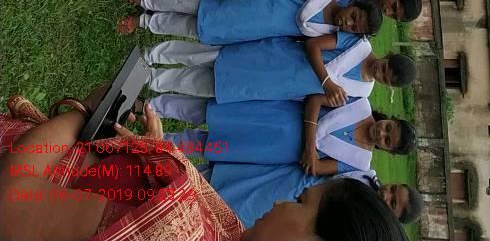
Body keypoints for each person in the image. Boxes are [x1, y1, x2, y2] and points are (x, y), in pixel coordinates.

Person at [0, 91, 409, 241]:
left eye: (302, 202)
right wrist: (157, 152)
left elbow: (11, 205)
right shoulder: (229, 228)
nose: (281, 202)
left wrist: (83, 115)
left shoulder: (170, 230)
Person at [141, 35, 414, 109]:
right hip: (278, 56)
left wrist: (324, 94)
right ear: (388, 56)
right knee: (211, 55)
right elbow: (314, 45)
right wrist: (326, 81)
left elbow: (319, 101)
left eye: (385, 78)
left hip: (278, 87)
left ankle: (153, 80)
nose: (380, 73)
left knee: (208, 85)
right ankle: (153, 55)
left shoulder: (361, 92)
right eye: (385, 67)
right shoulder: (359, 45)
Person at [117, 0, 378, 44]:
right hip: (249, 2)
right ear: (352, 3)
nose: (348, 22)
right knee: (188, 1)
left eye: (354, 27)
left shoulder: (324, 35)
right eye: (354, 16)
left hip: (251, 29)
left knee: (192, 27)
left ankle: (143, 22)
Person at [176, 95, 416, 171]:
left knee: (221, 146)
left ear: (388, 150)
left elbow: (318, 167)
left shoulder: (360, 161)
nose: (381, 133)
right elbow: (315, 100)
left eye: (387, 140)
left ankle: (169, 143)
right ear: (390, 119)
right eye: (388, 127)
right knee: (219, 116)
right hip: (280, 115)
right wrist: (310, 148)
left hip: (277, 150)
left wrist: (309, 151)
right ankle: (161, 106)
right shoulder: (359, 105)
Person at [207, 159, 421, 230]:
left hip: (289, 222)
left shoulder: (361, 227)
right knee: (225, 189)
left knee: (228, 221)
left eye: (392, 202)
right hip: (288, 185)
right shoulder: (363, 170)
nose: (386, 194)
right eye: (393, 189)